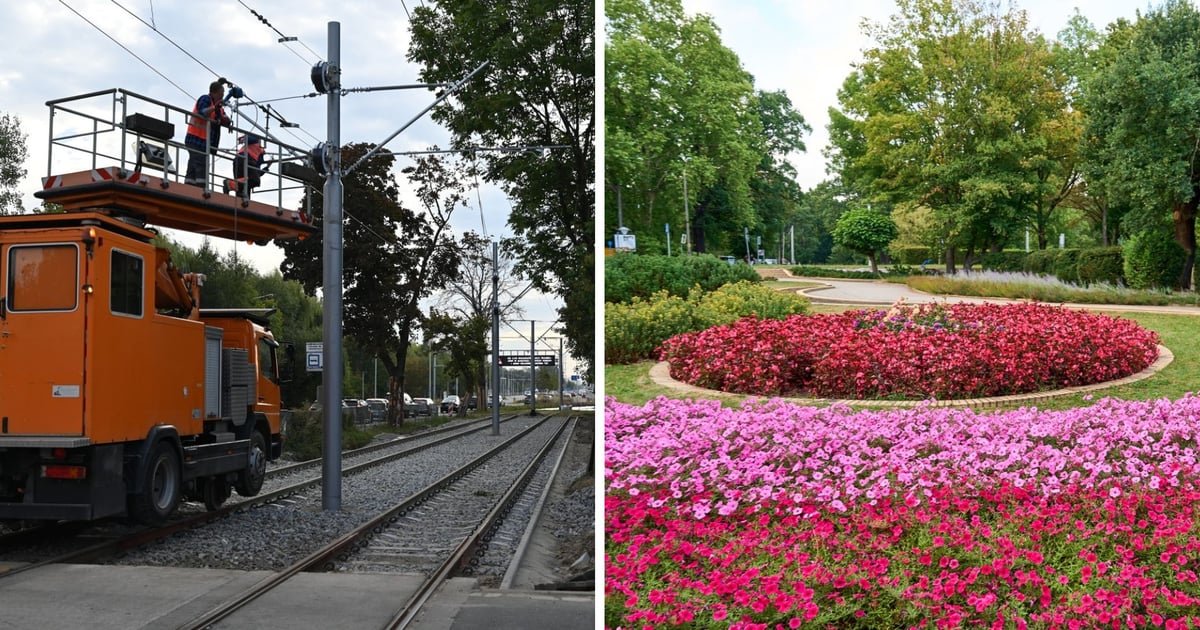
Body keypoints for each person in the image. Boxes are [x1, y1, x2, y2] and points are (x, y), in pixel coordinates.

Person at [184, 79, 240, 186]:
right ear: (215, 92)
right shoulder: (206, 99)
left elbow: (224, 119)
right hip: (196, 139)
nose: (223, 94)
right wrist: (215, 107)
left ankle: (188, 187)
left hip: (203, 142)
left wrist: (225, 119)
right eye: (222, 92)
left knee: (193, 165)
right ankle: (201, 189)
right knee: (201, 165)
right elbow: (202, 112)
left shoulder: (217, 106)